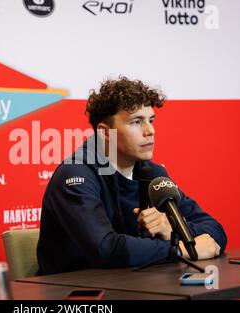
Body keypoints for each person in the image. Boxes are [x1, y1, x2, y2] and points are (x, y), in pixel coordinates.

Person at [36, 76, 227, 275]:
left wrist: (172, 229)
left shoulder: (153, 174)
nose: (150, 130)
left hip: (135, 285)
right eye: (136, 122)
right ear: (104, 133)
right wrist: (180, 248)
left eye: (151, 120)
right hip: (73, 294)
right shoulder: (76, 173)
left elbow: (215, 230)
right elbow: (105, 249)